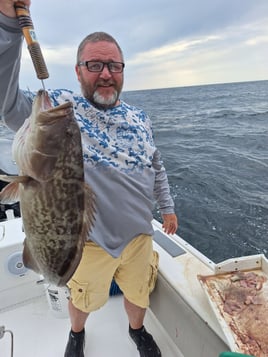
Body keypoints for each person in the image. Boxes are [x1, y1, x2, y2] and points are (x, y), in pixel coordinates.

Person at [0, 1, 178, 356]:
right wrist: (7, 25)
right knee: (81, 298)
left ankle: (137, 330)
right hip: (89, 243)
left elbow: (155, 165)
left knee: (138, 292)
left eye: (114, 65)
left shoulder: (140, 117)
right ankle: (77, 334)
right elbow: (7, 105)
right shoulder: (63, 108)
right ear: (78, 71)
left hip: (141, 237)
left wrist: (168, 208)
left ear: (123, 71)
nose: (106, 73)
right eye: (94, 65)